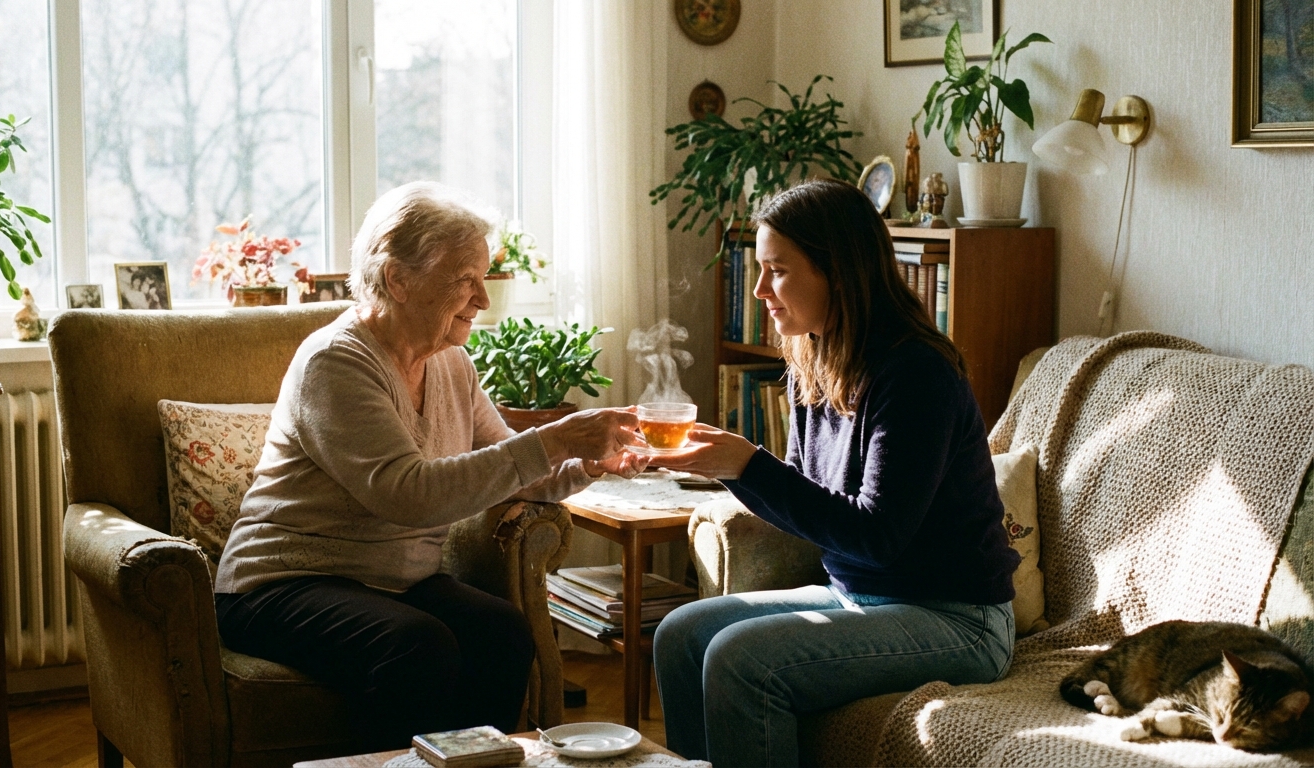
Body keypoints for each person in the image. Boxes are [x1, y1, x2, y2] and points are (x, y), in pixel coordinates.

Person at [213, 181, 647, 749]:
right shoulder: (335, 362)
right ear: (398, 277)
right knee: (417, 645)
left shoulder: (451, 364)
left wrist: (590, 460)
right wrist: (555, 439)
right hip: (281, 584)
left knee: (503, 633)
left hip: (394, 582)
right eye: (465, 279)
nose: (483, 298)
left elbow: (510, 467)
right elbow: (407, 494)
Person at [651, 179, 1020, 767]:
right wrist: (730, 470)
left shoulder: (914, 373)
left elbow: (877, 536)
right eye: (759, 269)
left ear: (840, 273)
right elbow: (808, 499)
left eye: (778, 271)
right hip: (857, 597)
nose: (760, 290)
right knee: (681, 634)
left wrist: (746, 463)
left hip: (958, 617)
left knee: (739, 659)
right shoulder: (813, 359)